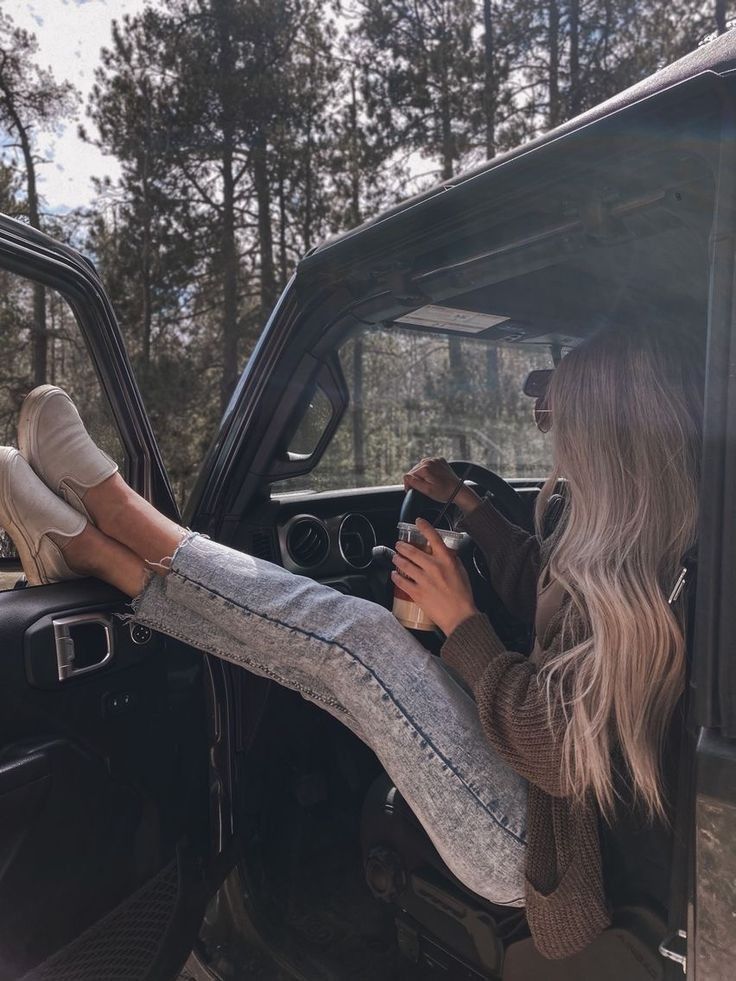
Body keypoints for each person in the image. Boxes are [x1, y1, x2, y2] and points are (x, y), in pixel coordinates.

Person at [0, 323, 703, 961]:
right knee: (335, 666)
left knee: (359, 638)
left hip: (542, 846)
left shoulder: (670, 585)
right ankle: (99, 555)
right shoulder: (628, 545)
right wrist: (463, 499)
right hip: (544, 801)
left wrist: (462, 622)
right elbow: (540, 580)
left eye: (568, 430)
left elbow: (558, 750)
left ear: (612, 447)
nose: (556, 446)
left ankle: (118, 515)